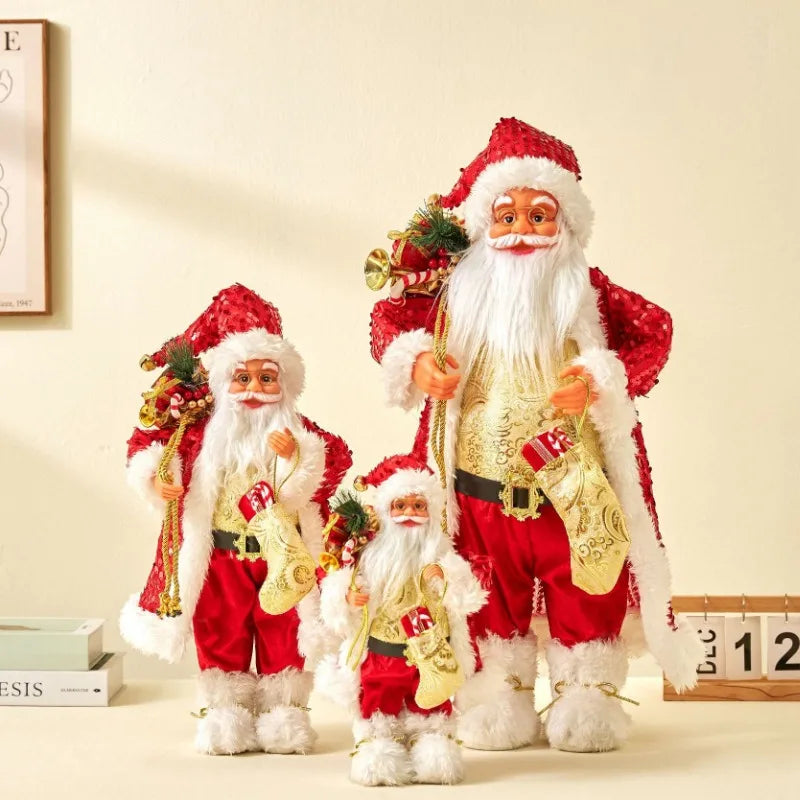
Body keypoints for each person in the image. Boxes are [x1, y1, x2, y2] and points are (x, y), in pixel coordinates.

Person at [368, 118, 702, 753]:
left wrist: (599, 377)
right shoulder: (455, 296)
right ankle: (501, 694)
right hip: (479, 493)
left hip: (574, 493)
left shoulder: (589, 294)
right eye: (506, 216)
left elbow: (653, 333)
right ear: (483, 225)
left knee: (587, 585)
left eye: (539, 215)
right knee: (489, 595)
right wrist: (416, 362)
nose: (521, 230)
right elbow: (389, 318)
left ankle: (587, 692)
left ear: (566, 224)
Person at [121, 284, 351, 755]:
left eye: (267, 379)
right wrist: (158, 478)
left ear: (286, 385)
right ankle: (225, 711)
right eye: (241, 378)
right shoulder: (200, 435)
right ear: (222, 383)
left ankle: (284, 710)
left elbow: (335, 462)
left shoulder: (299, 432)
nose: (254, 391)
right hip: (221, 556)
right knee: (220, 629)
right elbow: (151, 447)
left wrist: (298, 455)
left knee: (283, 631)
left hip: (281, 556)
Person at [316, 455, 485, 785]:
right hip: (383, 656)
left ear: (431, 512)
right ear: (385, 511)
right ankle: (378, 748)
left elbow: (468, 599)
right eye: (400, 506)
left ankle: (433, 746)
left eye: (419, 506)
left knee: (433, 707)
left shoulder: (443, 557)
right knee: (378, 704)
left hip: (433, 656)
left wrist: (448, 579)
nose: (409, 514)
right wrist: (348, 597)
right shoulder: (368, 556)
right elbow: (338, 588)